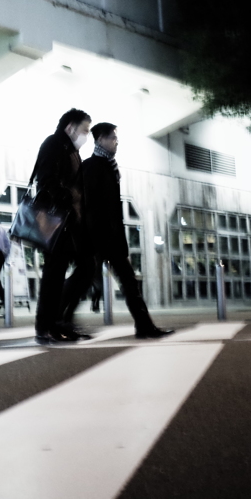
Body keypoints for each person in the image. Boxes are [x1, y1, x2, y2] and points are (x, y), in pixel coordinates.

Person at [70, 123, 174, 339]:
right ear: (100, 140)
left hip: (110, 238)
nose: (116, 142)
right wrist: (93, 237)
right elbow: (89, 206)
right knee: (84, 280)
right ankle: (61, 319)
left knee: (128, 283)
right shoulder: (92, 166)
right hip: (97, 238)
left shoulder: (109, 167)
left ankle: (144, 326)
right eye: (113, 138)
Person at [32, 108, 95, 344]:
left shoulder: (71, 149)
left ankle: (59, 321)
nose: (86, 135)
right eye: (85, 130)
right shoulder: (54, 144)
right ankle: (46, 327)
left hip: (70, 222)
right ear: (70, 127)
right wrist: (67, 199)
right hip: (54, 220)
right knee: (54, 275)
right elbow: (45, 180)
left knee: (85, 267)